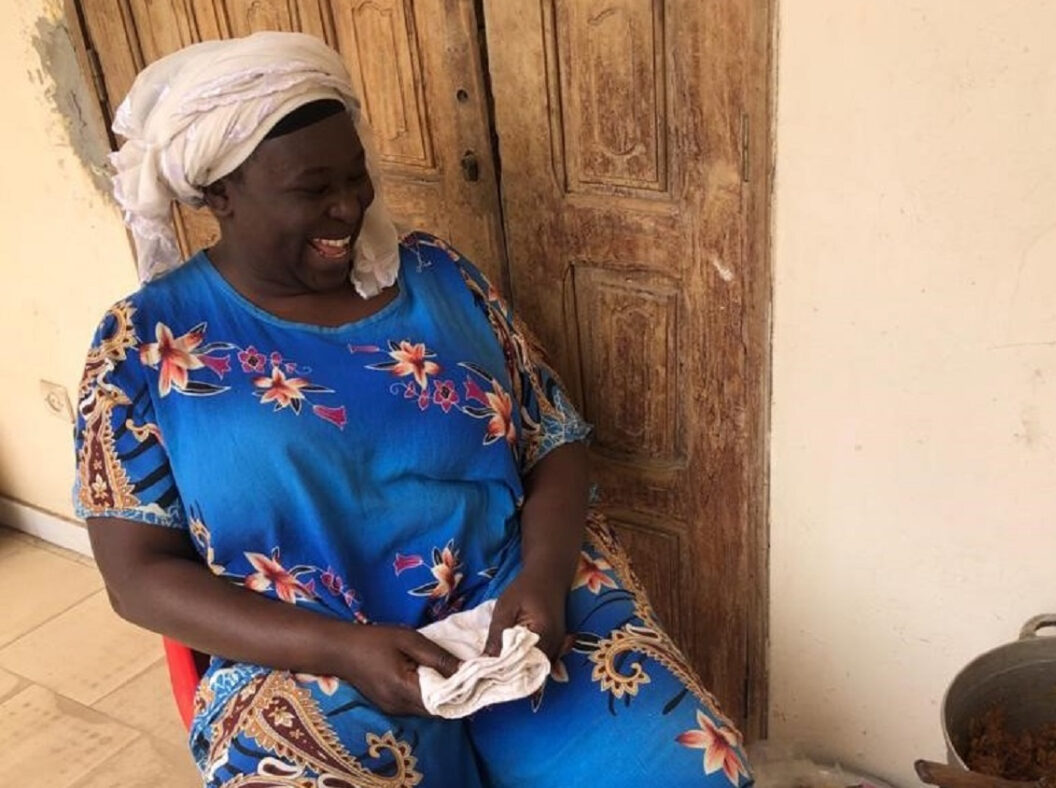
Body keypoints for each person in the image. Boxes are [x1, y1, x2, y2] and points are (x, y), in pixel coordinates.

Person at [73, 31, 751, 788]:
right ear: (219, 194)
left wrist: (543, 578)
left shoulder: (440, 276)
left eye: (355, 177)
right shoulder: (143, 343)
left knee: (690, 774)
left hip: (516, 613)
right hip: (311, 661)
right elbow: (136, 576)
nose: (347, 207)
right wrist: (339, 649)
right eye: (311, 188)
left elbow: (553, 438)